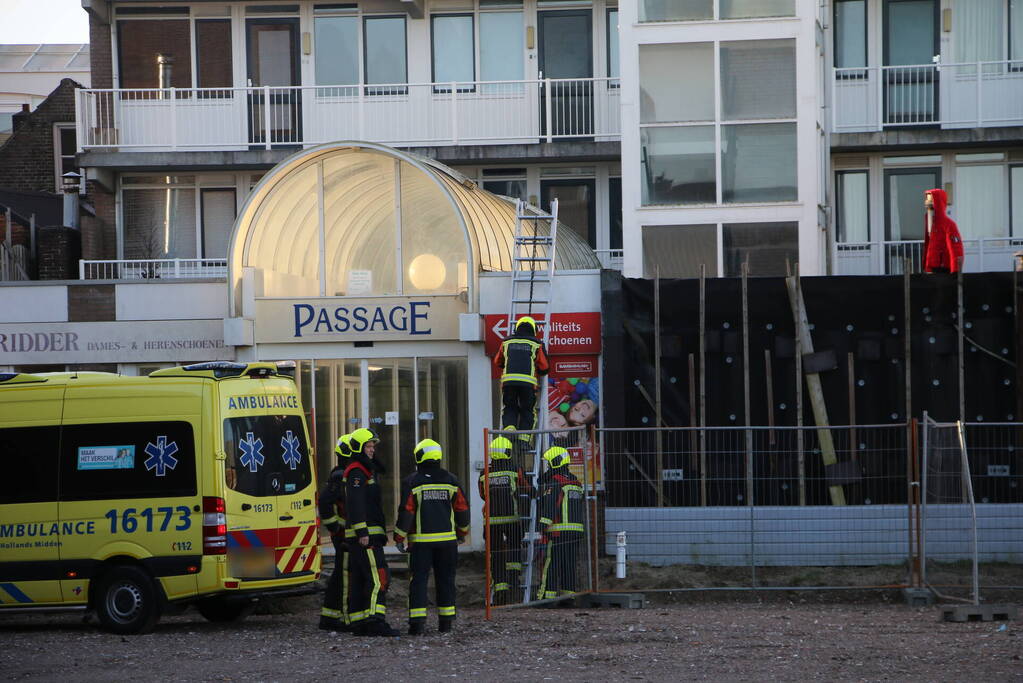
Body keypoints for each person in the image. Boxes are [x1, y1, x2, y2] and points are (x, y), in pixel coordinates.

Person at [393, 438, 470, 635]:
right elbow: (462, 509)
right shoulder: (451, 480)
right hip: (447, 542)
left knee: (418, 581)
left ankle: (417, 625)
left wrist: (399, 537)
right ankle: (446, 623)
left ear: (418, 456)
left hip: (421, 543)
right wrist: (462, 533)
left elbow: (407, 511)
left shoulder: (412, 481)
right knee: (446, 580)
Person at [343, 427, 399, 637]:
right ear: (359, 448)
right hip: (366, 536)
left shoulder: (364, 470)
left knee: (359, 578)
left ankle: (359, 622)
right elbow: (355, 503)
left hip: (365, 535)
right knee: (379, 577)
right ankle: (376, 621)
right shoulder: (357, 472)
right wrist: (362, 532)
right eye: (368, 446)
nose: (372, 450)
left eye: (373, 446)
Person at [478, 436, 533, 605]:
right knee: (514, 550)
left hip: (491, 522)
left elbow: (482, 495)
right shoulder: (515, 469)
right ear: (508, 452)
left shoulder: (484, 473)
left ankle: (501, 589)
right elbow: (527, 488)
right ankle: (514, 583)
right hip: (512, 519)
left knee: (496, 554)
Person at [537, 446, 585, 599]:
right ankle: (568, 597)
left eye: (550, 463)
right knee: (569, 564)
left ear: (556, 462)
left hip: (558, 531)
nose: (549, 466)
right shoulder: (576, 483)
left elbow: (551, 505)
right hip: (576, 531)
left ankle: (546, 598)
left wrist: (542, 525)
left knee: (552, 564)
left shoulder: (555, 482)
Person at [494, 316, 549, 442]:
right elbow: (545, 367)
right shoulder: (536, 344)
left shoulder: (506, 342)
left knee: (509, 407)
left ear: (517, 327)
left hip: (509, 383)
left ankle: (509, 428)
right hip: (528, 385)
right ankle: (523, 441)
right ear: (534, 329)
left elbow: (498, 361)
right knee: (528, 410)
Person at [318, 433, 352, 631]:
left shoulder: (344, 473)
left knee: (342, 575)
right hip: (344, 537)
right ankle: (335, 618)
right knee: (343, 576)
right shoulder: (341, 476)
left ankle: (332, 616)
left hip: (345, 535)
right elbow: (325, 503)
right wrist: (335, 527)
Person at [923, 188, 964, 274]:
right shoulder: (930, 222)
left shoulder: (949, 224)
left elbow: (956, 248)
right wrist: (926, 265)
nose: (926, 202)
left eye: (929, 199)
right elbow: (928, 244)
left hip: (944, 268)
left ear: (937, 202)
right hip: (932, 267)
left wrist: (955, 271)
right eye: (926, 199)